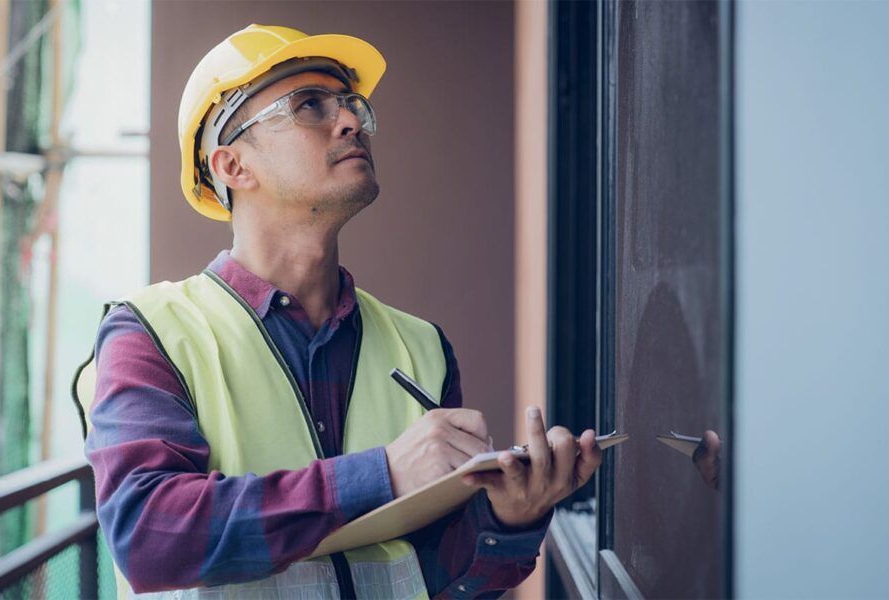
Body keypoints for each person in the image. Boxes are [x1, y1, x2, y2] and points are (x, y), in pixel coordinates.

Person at [72, 24, 602, 599]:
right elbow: (148, 533)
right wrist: (383, 475)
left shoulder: (422, 347)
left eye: (351, 105)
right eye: (309, 106)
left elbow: (439, 579)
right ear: (232, 167)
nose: (351, 121)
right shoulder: (150, 333)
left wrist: (509, 521)